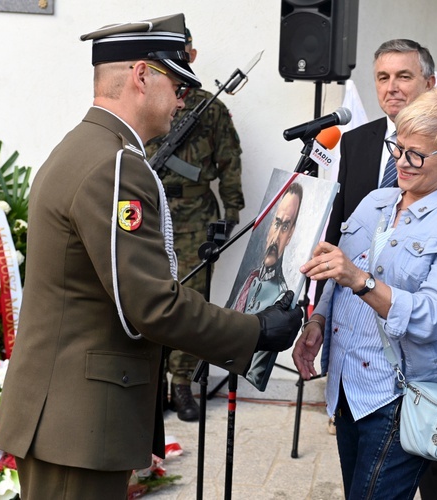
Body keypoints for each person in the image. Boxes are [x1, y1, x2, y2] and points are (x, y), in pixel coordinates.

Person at [0, 14, 302, 499]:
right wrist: (256, 331)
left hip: (67, 416)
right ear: (141, 76)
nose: (183, 99)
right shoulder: (116, 167)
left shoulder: (85, 147)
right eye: (177, 84)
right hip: (78, 424)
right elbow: (152, 307)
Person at [320, 38, 437, 499]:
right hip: (347, 388)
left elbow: (431, 317)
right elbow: (337, 264)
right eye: (398, 149)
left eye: (417, 155)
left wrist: (360, 280)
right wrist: (317, 321)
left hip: (401, 393)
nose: (402, 163)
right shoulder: (376, 200)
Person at [145, 26, 246, 422]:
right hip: (150, 212)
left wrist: (232, 212)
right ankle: (151, 383)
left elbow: (229, 162)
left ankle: (182, 383)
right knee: (150, 297)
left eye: (181, 50)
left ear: (192, 54)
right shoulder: (146, 101)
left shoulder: (209, 108)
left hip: (196, 217)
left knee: (192, 303)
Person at [233, 182, 302, 314]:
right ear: (270, 225)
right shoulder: (251, 278)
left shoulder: (281, 293)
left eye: (285, 227)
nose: (276, 238)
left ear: (290, 236)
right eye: (277, 224)